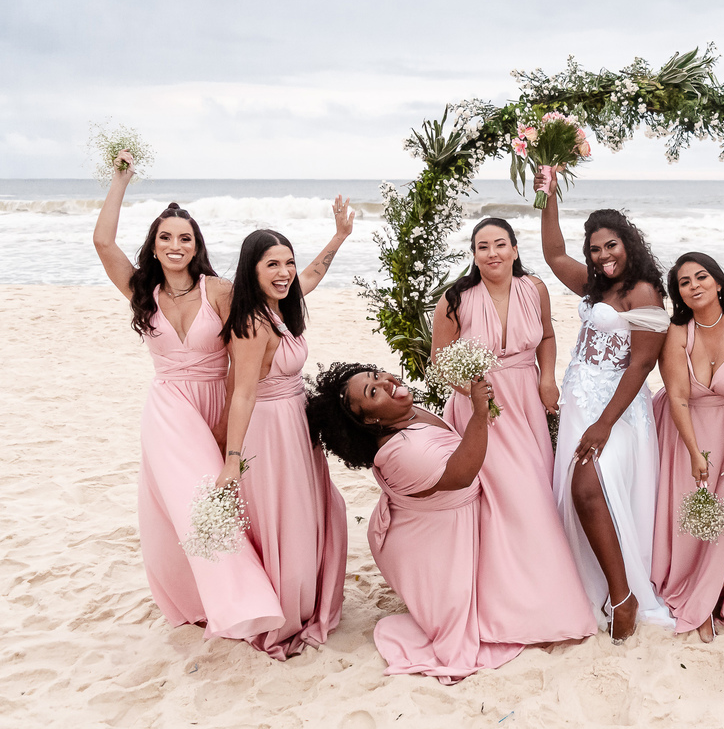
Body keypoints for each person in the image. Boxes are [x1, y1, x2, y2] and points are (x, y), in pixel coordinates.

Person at [91, 149, 283, 641]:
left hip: (216, 404)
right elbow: (102, 241)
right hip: (168, 411)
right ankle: (232, 604)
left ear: (196, 246)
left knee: (226, 497)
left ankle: (235, 596)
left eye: (185, 238)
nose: (175, 245)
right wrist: (121, 180)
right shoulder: (140, 291)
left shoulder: (219, 291)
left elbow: (271, 314)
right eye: (165, 238)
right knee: (191, 504)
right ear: (153, 247)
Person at [430, 217, 596, 644]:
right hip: (480, 408)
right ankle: (502, 599)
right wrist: (473, 392)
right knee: (503, 498)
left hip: (525, 400)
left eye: (500, 244)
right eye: (482, 246)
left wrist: (547, 378)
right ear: (473, 254)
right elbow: (439, 359)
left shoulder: (534, 288)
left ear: (515, 249)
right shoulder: (455, 299)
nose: (492, 253)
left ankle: (541, 590)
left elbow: (547, 335)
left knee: (534, 491)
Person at [306, 364, 525, 683]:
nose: (386, 382)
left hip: (427, 523)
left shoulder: (400, 414)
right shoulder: (402, 453)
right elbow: (461, 476)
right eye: (373, 391)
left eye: (377, 375)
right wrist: (479, 413)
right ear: (370, 420)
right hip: (431, 545)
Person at [535, 168, 674, 642]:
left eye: (610, 245)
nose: (602, 255)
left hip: (615, 411)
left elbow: (640, 367)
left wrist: (603, 424)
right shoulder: (594, 288)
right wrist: (548, 196)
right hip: (579, 402)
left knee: (590, 489)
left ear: (628, 244)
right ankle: (607, 591)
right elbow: (554, 254)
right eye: (594, 249)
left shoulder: (644, 292)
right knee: (583, 497)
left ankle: (624, 596)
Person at [218, 206, 353, 660]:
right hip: (272, 430)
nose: (285, 273)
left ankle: (302, 597)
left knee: (317, 508)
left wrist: (338, 237)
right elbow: (241, 394)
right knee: (288, 519)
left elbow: (310, 277)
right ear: (251, 270)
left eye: (287, 262)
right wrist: (232, 459)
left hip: (296, 424)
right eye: (272, 264)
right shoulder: (253, 323)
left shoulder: (279, 306)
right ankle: (286, 612)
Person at [651, 253, 724, 642]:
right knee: (690, 518)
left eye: (702, 277)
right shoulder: (678, 331)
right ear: (678, 293)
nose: (694, 285)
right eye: (684, 282)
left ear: (718, 283)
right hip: (683, 431)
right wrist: (695, 452)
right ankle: (691, 595)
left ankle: (710, 597)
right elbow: (679, 396)